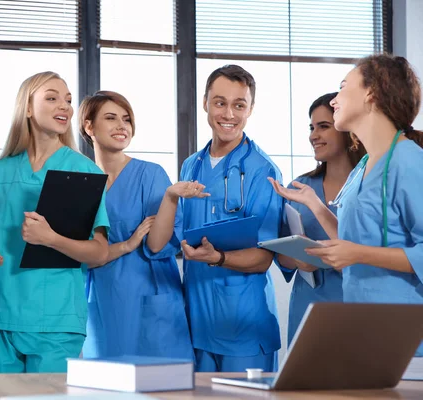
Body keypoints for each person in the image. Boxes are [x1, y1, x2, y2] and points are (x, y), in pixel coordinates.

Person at [269, 54, 423, 356]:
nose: (335, 99)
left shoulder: (409, 162)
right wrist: (315, 205)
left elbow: (359, 249)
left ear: (371, 93)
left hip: (403, 335)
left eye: (343, 87)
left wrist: (357, 254)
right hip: (363, 328)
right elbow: (352, 239)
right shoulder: (364, 165)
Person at [0, 71, 110, 373]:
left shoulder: (83, 170)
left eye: (68, 100)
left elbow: (100, 252)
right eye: (52, 98)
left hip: (55, 319)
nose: (65, 106)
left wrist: (51, 239)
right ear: (28, 108)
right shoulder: (0, 169)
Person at [149, 65, 284, 372]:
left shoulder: (263, 171)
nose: (229, 114)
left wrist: (219, 257)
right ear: (205, 103)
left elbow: (264, 257)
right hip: (197, 321)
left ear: (250, 109)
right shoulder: (191, 166)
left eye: (239, 105)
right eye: (220, 102)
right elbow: (178, 236)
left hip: (244, 323)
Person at [78, 91, 196, 359]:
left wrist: (170, 197)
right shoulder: (81, 182)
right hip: (102, 299)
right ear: (88, 126)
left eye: (127, 119)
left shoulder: (150, 174)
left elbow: (156, 245)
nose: (122, 126)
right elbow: (77, 254)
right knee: (107, 387)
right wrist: (126, 244)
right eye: (111, 118)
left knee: (162, 388)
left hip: (151, 295)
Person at [275, 92, 365, 346]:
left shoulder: (369, 184)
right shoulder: (300, 187)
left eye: (323, 127)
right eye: (312, 127)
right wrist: (298, 257)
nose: (314, 135)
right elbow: (281, 255)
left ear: (347, 130)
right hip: (308, 307)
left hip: (356, 306)